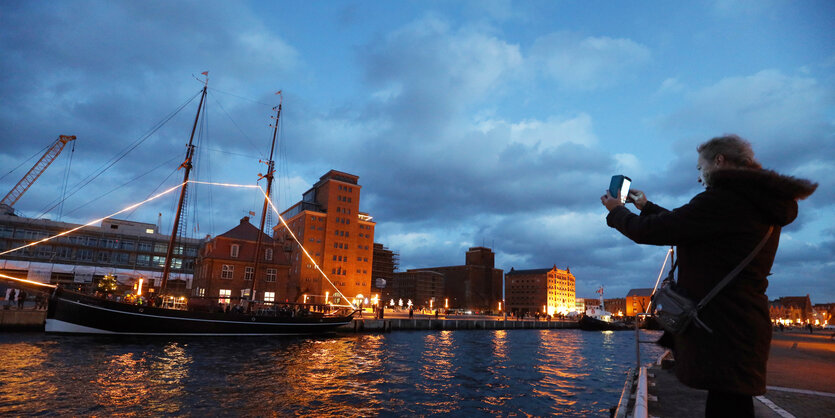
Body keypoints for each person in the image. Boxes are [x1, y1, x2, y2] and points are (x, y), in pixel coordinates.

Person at [600, 135, 816, 417]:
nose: (700, 177)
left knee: (727, 406)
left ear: (719, 161)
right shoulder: (755, 202)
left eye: (700, 169)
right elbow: (692, 227)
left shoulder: (726, 200)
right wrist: (647, 207)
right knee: (732, 402)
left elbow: (654, 231)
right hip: (740, 320)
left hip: (721, 323)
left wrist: (617, 212)